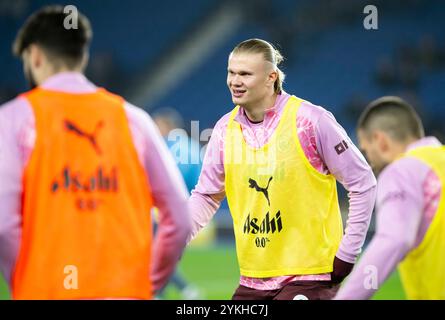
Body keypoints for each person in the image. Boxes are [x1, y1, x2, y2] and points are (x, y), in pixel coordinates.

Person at [0, 5, 190, 299]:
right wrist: (148, 284)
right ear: (82, 55)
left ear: (34, 56)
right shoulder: (134, 120)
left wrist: (24, 281)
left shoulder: (12, 119)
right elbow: (179, 219)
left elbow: (4, 225)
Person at [188, 38, 376, 300]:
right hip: (254, 278)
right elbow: (207, 195)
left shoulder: (311, 121)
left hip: (312, 275)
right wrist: (173, 239)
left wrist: (347, 253)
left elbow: (363, 182)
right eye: (231, 72)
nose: (235, 81)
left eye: (245, 74)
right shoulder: (223, 130)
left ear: (271, 77)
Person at [335, 96, 445, 300]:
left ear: (381, 141)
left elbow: (395, 240)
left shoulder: (402, 170)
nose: (370, 162)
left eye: (367, 151)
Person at [153, 108, 203, 300]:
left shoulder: (161, 147)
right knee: (164, 255)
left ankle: (179, 290)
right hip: (185, 212)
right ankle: (180, 290)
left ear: (166, 126)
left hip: (160, 211)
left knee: (155, 256)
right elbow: (200, 183)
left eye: (157, 124)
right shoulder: (193, 148)